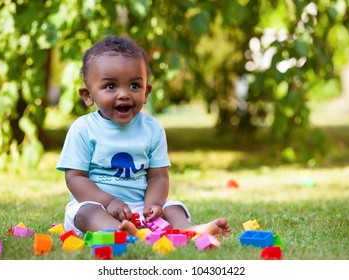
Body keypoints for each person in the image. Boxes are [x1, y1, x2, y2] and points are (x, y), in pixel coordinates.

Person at [56, 35, 231, 238]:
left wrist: (153, 205)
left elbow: (158, 176)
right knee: (87, 213)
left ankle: (190, 230)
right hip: (98, 206)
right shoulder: (83, 129)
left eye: (134, 86)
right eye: (111, 86)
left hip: (140, 208)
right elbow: (75, 178)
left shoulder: (152, 129)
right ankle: (119, 232)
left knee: (174, 207)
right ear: (88, 95)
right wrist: (109, 202)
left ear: (146, 92)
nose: (124, 94)